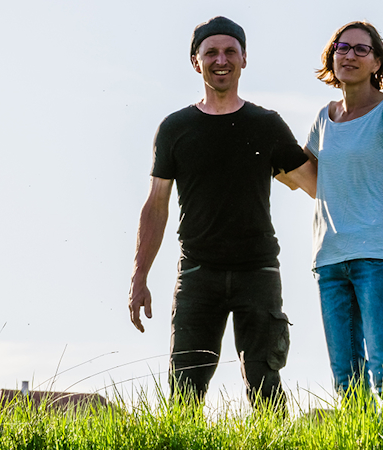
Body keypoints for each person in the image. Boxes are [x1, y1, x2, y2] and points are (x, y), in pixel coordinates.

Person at [127, 16, 317, 408]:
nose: (221, 60)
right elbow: (156, 205)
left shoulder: (266, 125)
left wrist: (338, 136)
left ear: (244, 59)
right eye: (210, 52)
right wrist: (139, 276)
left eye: (230, 51)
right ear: (195, 61)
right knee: (184, 392)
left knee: (265, 384)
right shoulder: (175, 128)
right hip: (198, 273)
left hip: (258, 271)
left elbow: (317, 185)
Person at [306, 21, 383, 441]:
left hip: (378, 260)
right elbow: (308, 177)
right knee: (346, 377)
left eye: (362, 49)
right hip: (329, 261)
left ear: (377, 62)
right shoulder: (323, 119)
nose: (350, 55)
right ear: (332, 57)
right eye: (342, 48)